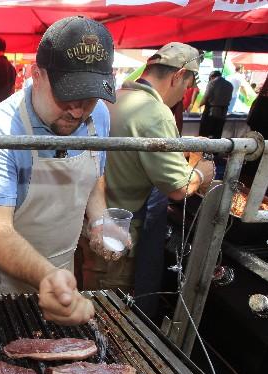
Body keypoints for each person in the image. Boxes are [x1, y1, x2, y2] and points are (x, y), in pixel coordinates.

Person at [0, 16, 121, 325]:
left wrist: (101, 222)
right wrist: (47, 276)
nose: (77, 111)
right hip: (4, 277)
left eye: (88, 98)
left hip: (62, 268)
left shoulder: (99, 116)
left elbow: (94, 179)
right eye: (67, 96)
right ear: (37, 76)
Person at [86, 42, 215, 318]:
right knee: (111, 320)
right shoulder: (156, 112)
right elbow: (180, 188)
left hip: (89, 233)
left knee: (89, 309)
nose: (183, 95)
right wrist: (203, 171)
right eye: (186, 87)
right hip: (119, 241)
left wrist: (182, 142)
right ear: (178, 76)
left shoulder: (112, 98)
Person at [199, 70, 233, 139]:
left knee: (205, 135)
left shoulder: (212, 83)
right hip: (223, 113)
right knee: (217, 135)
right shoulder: (230, 85)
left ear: (212, 77)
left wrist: (199, 105)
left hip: (211, 112)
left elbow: (206, 97)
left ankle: (204, 150)